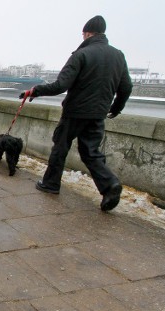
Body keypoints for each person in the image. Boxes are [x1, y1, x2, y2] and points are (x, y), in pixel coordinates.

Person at [20, 15, 132, 211]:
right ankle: (110, 185)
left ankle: (51, 184)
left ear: (88, 33)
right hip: (98, 113)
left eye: (83, 34)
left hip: (75, 111)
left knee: (60, 146)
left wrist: (35, 91)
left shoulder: (81, 54)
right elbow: (126, 87)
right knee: (91, 152)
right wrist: (115, 108)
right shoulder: (118, 56)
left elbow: (61, 85)